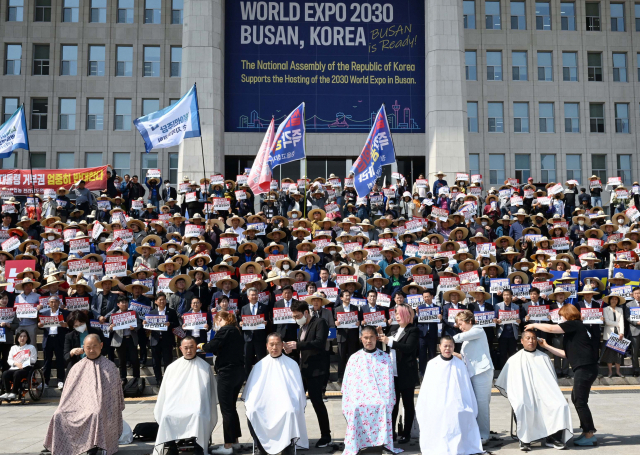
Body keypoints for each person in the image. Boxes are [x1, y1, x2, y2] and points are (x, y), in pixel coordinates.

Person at [526, 304, 599, 446]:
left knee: (579, 400)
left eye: (561, 316)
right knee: (577, 398)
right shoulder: (574, 331)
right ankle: (586, 432)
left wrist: (534, 324)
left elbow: (551, 329)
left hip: (585, 368)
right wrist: (546, 346)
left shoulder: (575, 324)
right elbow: (566, 354)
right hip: (584, 367)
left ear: (568, 315)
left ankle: (589, 434)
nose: (560, 319)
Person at [43, 334, 124, 455]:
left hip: (100, 406)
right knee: (58, 414)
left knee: (95, 413)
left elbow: (113, 396)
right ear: (83, 348)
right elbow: (68, 394)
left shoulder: (110, 367)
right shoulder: (77, 367)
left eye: (94, 346)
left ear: (101, 346)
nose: (91, 350)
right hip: (76, 406)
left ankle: (94, 446)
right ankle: (59, 446)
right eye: (88, 347)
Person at [495, 328, 572, 451]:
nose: (531, 341)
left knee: (560, 405)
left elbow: (552, 381)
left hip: (545, 393)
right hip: (524, 393)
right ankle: (525, 439)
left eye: (534, 338)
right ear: (522, 341)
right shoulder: (514, 359)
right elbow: (507, 381)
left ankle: (552, 438)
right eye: (528, 338)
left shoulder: (544, 357)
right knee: (521, 404)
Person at [241, 332, 309, 455]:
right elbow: (252, 391)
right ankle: (261, 447)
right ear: (267, 346)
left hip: (285, 403)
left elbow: (297, 390)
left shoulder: (292, 364)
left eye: (277, 344)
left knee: (290, 411)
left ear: (282, 345)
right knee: (252, 411)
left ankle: (287, 446)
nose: (274, 347)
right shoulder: (259, 365)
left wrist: (293, 402)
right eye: (271, 344)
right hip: (265, 404)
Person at [416, 336, 483, 455]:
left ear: (454, 347)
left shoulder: (460, 364)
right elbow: (427, 388)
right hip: (437, 402)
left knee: (460, 413)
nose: (448, 348)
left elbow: (465, 387)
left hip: (456, 402)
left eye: (450, 346)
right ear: (440, 347)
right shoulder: (432, 364)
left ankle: (458, 446)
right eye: (445, 346)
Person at [341, 326, 400, 455]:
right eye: (366, 338)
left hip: (380, 397)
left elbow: (388, 384)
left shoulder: (385, 357)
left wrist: (385, 399)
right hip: (359, 397)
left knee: (383, 405)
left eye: (371, 337)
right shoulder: (354, 358)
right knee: (356, 407)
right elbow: (348, 384)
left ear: (376, 338)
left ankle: (385, 444)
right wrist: (353, 399)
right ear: (361, 339)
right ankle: (356, 444)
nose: (369, 340)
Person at [154, 336, 217, 455]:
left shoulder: (205, 367)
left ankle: (199, 446)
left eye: (191, 347)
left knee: (197, 414)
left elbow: (207, 393)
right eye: (186, 348)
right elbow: (166, 392)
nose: (189, 351)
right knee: (167, 415)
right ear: (180, 349)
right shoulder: (172, 367)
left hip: (196, 405)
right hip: (176, 404)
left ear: (196, 347)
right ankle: (171, 446)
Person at [284, 300, 331, 448]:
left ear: (306, 312)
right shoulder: (302, 327)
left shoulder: (320, 323)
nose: (296, 319)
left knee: (317, 402)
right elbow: (303, 348)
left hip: (317, 371)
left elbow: (318, 343)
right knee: (297, 404)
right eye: (294, 317)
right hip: (303, 370)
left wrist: (298, 345)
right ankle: (297, 435)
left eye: (297, 316)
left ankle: (326, 435)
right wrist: (292, 349)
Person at [200, 311, 245, 455]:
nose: (215, 323)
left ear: (221, 319)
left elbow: (211, 346)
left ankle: (228, 446)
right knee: (231, 408)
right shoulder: (236, 331)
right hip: (238, 372)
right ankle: (235, 442)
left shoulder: (225, 330)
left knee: (226, 410)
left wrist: (201, 345)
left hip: (227, 373)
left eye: (216, 320)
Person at [376, 303, 419, 444]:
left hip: (406, 372)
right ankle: (391, 432)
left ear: (406, 315)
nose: (396, 316)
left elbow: (408, 348)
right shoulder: (395, 329)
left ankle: (406, 433)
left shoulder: (413, 330)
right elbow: (387, 343)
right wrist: (382, 336)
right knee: (392, 405)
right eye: (396, 314)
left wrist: (390, 342)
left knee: (407, 404)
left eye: (399, 314)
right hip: (392, 373)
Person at [452, 310, 494, 444]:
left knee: (482, 405)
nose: (460, 327)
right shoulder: (467, 337)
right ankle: (476, 433)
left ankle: (484, 435)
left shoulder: (478, 329)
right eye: (458, 325)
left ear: (470, 321)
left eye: (461, 323)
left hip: (482, 372)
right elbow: (466, 357)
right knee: (474, 405)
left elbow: (457, 338)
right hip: (472, 372)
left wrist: (446, 340)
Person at [147, 292, 179, 386]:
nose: (162, 301)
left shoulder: (171, 311)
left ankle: (167, 380)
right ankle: (158, 380)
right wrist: (146, 323)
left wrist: (170, 324)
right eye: (160, 300)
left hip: (167, 340)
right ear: (156, 301)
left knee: (167, 361)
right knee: (155, 362)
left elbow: (176, 324)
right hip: (155, 340)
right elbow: (148, 327)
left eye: (164, 299)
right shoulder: (151, 313)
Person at [0, 330, 37, 400]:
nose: (22, 338)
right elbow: (9, 360)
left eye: (24, 336)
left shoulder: (31, 347)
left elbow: (33, 360)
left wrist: (25, 362)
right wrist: (16, 363)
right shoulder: (13, 348)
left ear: (27, 338)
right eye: (20, 336)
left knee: (17, 373)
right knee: (5, 373)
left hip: (26, 368)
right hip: (15, 367)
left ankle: (14, 392)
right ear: (17, 338)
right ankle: (7, 392)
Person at [240, 287, 269, 376]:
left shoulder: (264, 307)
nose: (254, 296)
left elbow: (267, 320)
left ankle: (263, 377)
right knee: (247, 360)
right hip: (248, 338)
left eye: (256, 295)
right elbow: (242, 321)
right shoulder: (244, 308)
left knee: (261, 359)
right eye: (252, 295)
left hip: (260, 338)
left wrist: (266, 322)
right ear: (248, 296)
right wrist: (241, 324)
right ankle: (247, 379)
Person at [334, 289, 360, 382]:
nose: (348, 297)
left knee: (352, 357)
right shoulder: (337, 309)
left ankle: (353, 375)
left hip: (352, 336)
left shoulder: (355, 308)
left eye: (349, 295)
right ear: (341, 298)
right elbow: (333, 323)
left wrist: (358, 323)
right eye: (346, 295)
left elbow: (360, 320)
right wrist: (335, 323)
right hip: (342, 336)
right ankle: (340, 377)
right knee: (341, 357)